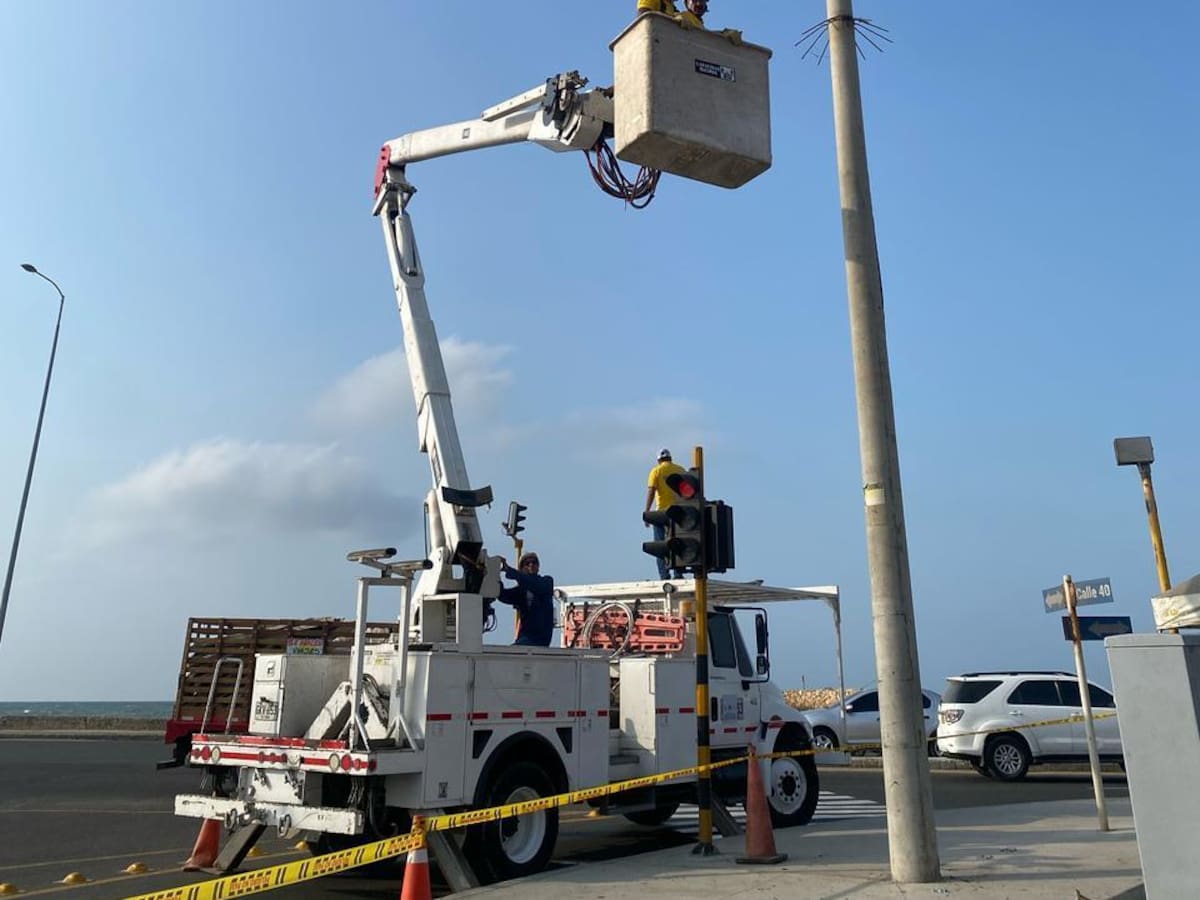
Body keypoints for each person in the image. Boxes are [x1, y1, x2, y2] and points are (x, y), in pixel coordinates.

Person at [644, 448, 686, 580]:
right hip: (678, 512)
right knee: (677, 543)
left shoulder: (656, 471)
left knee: (660, 545)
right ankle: (678, 574)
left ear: (658, 460)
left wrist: (647, 511)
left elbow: (651, 491)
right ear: (671, 458)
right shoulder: (680, 470)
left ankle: (664, 575)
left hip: (661, 513)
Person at [498, 552, 555, 647]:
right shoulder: (521, 591)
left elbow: (533, 583)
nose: (531, 565)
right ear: (521, 569)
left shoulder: (547, 582)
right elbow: (502, 595)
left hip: (540, 639)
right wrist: (494, 577)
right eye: (527, 563)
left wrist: (509, 570)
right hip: (525, 638)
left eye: (534, 562)